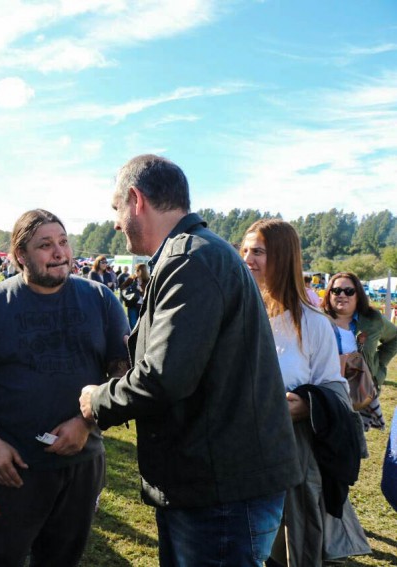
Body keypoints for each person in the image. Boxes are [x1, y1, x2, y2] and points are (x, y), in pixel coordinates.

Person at [79, 154, 300, 567]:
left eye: (116, 208)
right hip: (218, 480)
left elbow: (165, 377)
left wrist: (98, 400)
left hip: (219, 489)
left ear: (136, 200)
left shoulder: (189, 259)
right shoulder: (197, 253)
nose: (115, 223)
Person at [0, 209, 130, 567]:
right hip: (12, 466)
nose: (59, 252)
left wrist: (86, 422)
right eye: (45, 245)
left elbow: (121, 371)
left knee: (61, 559)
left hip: (82, 462)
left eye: (63, 242)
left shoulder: (101, 299)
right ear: (20, 255)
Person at [241, 220, 369, 565]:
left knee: (285, 547)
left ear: (283, 257)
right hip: (238, 453)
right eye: (245, 250)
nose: (247, 259)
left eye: (258, 251)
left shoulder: (313, 323)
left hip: (290, 455)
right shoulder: (237, 313)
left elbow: (336, 390)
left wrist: (307, 403)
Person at [322, 271, 397, 431]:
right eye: (336, 290)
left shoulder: (373, 319)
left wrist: (379, 368)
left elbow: (394, 338)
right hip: (325, 393)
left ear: (358, 295)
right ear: (329, 294)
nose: (342, 295)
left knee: (354, 438)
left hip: (360, 393)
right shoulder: (316, 319)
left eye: (349, 291)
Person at [120, 263, 149, 329]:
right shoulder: (131, 279)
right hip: (132, 303)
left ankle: (139, 335)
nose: (135, 271)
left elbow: (149, 294)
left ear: (143, 271)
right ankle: (133, 335)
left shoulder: (147, 280)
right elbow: (122, 286)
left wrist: (141, 290)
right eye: (135, 270)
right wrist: (129, 289)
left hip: (142, 305)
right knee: (133, 323)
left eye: (137, 270)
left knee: (141, 323)